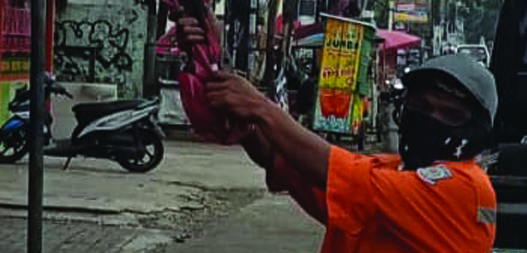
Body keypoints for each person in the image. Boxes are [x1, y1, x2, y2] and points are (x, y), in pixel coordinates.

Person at [176, 13, 498, 253]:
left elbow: (333, 169)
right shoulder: (391, 172)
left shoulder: (466, 189)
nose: (431, 119)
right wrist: (215, 65)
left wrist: (260, 107)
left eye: (450, 114)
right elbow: (282, 160)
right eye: (423, 106)